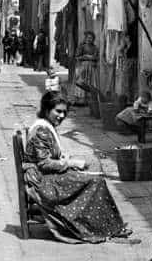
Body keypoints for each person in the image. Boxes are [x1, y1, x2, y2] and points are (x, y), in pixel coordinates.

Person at [23, 91, 131, 243]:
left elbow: (46, 156)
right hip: (41, 181)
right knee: (95, 181)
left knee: (90, 176)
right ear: (47, 109)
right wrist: (70, 163)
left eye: (64, 112)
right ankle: (101, 228)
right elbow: (44, 163)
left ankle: (104, 226)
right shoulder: (42, 130)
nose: (61, 116)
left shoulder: (46, 126)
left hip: (44, 175)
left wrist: (63, 159)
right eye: (58, 111)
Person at [68, 31, 99, 105]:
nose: (89, 39)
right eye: (88, 38)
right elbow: (77, 57)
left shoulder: (95, 48)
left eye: (91, 38)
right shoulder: (82, 47)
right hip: (83, 69)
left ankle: (89, 101)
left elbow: (96, 58)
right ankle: (80, 101)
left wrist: (93, 58)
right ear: (85, 38)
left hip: (91, 69)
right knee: (81, 83)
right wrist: (86, 57)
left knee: (90, 84)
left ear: (93, 39)